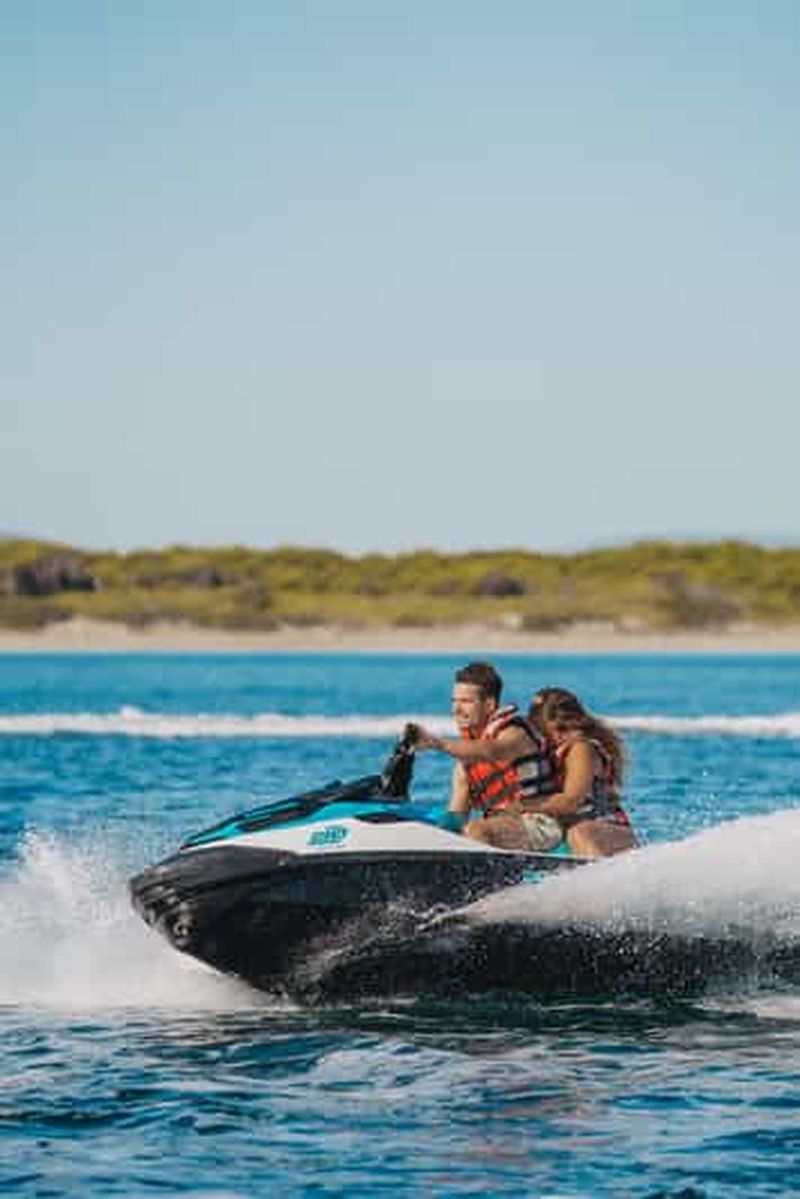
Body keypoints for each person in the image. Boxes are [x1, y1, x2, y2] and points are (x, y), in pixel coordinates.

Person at [410, 661, 561, 851]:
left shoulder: (516, 734)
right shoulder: (466, 760)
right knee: (459, 831)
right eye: (454, 701)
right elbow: (456, 817)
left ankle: (489, 880)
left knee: (475, 829)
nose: (455, 710)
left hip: (541, 824)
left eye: (465, 702)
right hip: (501, 828)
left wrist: (436, 743)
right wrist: (425, 837)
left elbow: (493, 751)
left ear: (489, 705)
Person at [524, 686, 637, 859]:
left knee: (578, 833)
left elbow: (570, 802)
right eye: (541, 733)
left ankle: (604, 882)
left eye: (561, 729)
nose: (552, 738)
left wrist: (518, 806)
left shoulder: (582, 748)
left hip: (607, 832)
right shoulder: (549, 754)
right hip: (572, 832)